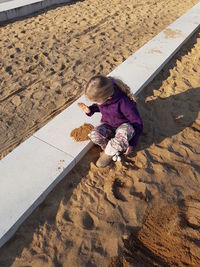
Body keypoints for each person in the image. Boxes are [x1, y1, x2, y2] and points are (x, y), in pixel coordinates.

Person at [78, 75, 143, 168]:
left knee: (124, 132)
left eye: (96, 101)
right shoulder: (104, 98)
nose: (95, 103)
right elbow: (98, 106)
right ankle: (110, 147)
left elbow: (138, 123)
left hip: (124, 127)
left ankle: (109, 153)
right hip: (109, 125)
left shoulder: (125, 103)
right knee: (94, 135)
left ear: (107, 98)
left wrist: (132, 143)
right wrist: (90, 110)